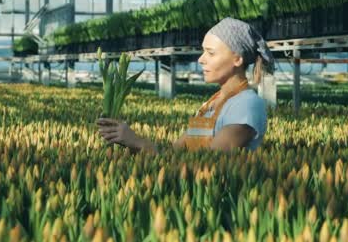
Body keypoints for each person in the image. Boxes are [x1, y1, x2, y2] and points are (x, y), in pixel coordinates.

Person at [96, 17, 275, 153]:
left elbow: (211, 160)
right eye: (203, 51)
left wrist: (139, 143)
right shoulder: (212, 103)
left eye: (210, 53)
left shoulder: (247, 105)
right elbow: (176, 152)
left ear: (237, 59)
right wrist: (129, 139)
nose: (201, 59)